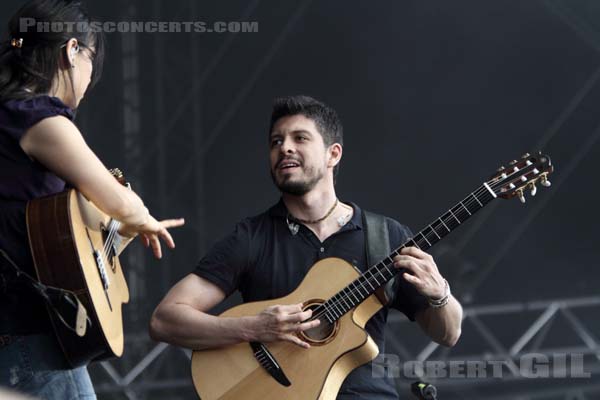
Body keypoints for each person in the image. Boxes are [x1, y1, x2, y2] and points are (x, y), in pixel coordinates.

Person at [149, 95, 462, 399]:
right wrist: (255, 327)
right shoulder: (251, 237)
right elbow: (165, 320)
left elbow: (447, 335)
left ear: (333, 154)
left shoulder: (386, 237)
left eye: (300, 138)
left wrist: (440, 294)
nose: (284, 147)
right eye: (276, 142)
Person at [0, 0, 184, 398]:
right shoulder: (38, 118)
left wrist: (120, 231)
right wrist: (142, 216)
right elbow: (121, 203)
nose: (88, 81)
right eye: (91, 61)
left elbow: (56, 237)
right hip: (32, 341)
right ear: (71, 51)